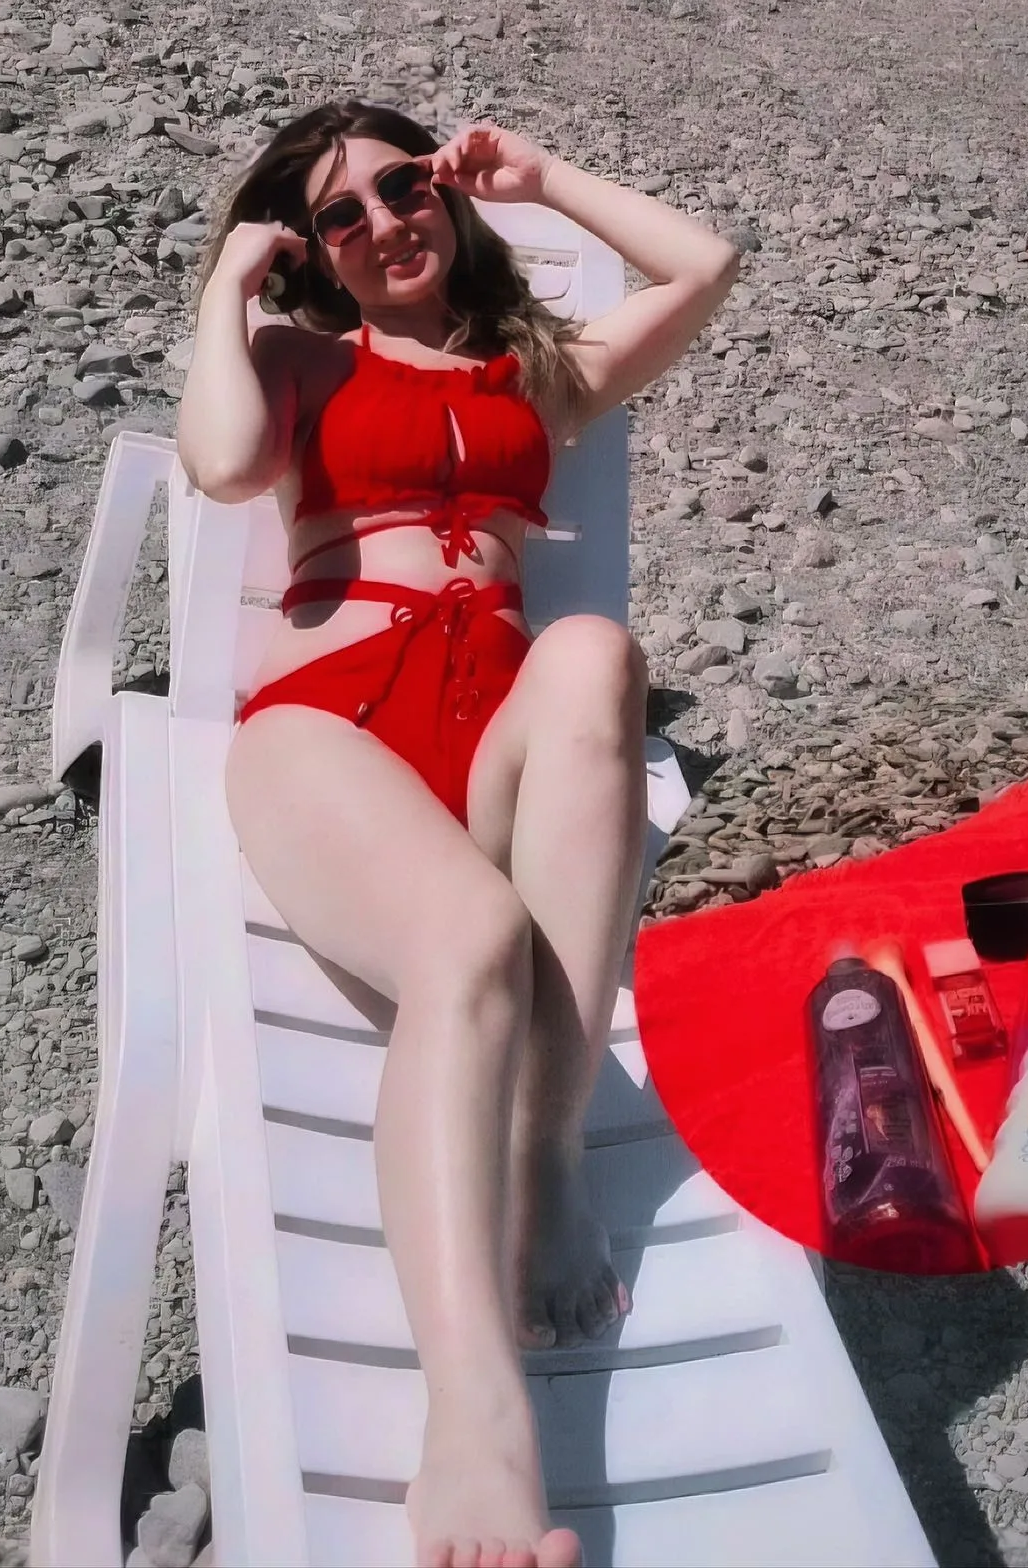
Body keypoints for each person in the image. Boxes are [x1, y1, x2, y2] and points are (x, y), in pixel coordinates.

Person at [177, 100, 740, 1568]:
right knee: (475, 940)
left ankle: (545, 1152)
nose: (382, 223)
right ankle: (476, 1429)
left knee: (597, 654)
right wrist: (230, 282)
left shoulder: (532, 375)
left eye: (402, 187)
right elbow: (225, 465)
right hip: (328, 725)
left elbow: (704, 265)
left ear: (447, 195)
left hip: (492, 728)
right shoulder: (298, 359)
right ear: (316, 253)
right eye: (339, 214)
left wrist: (543, 178)